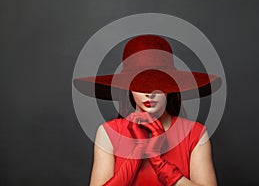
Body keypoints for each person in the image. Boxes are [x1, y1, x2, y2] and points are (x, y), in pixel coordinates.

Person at [73, 35, 222, 186]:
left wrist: (159, 164)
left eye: (158, 83)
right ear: (129, 87)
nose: (149, 93)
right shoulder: (108, 133)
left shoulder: (195, 134)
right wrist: (137, 153)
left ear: (170, 87)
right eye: (140, 84)